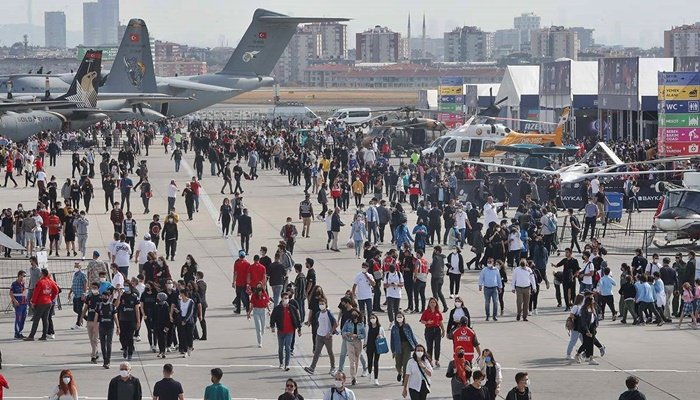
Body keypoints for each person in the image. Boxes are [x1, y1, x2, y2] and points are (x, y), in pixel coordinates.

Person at [303, 297, 337, 375]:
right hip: (319, 335)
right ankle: (312, 368)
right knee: (317, 352)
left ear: (326, 304)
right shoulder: (318, 314)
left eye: (322, 304)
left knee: (330, 352)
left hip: (327, 336)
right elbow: (318, 323)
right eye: (320, 304)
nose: (321, 305)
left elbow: (335, 324)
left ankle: (333, 367)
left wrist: (330, 332)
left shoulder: (329, 313)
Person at [270, 292, 302, 371]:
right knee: (281, 348)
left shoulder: (292, 308)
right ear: (281, 299)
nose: (286, 299)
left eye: (287, 298)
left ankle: (287, 364)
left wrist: (299, 329)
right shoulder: (277, 309)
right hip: (281, 331)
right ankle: (281, 362)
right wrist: (272, 326)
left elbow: (297, 318)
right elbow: (273, 318)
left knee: (287, 347)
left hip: (290, 332)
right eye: (284, 298)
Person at [25, 268, 59, 341]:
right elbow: (56, 290)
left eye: (40, 273)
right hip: (48, 302)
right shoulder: (50, 281)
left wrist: (33, 302)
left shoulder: (40, 282)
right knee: (45, 319)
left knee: (36, 320)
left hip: (40, 303)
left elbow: (35, 293)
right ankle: (44, 335)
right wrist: (51, 298)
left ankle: (31, 336)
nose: (39, 274)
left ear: (42, 274)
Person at [391, 311, 418, 383]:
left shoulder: (407, 326)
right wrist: (393, 350)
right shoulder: (394, 328)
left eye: (400, 317)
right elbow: (392, 340)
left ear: (403, 318)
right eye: (398, 317)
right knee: (398, 364)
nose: (399, 318)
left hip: (407, 345)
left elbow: (412, 336)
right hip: (398, 346)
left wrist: (416, 346)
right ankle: (400, 372)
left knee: (406, 362)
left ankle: (404, 379)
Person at [341, 308, 366, 385]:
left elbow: (363, 335)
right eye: (353, 314)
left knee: (357, 360)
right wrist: (347, 334)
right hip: (350, 341)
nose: (354, 316)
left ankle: (355, 375)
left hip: (358, 342)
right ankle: (353, 377)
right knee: (352, 361)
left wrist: (357, 336)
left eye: (355, 314)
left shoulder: (361, 324)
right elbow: (343, 331)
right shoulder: (348, 322)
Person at [420, 297, 445, 368]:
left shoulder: (438, 312)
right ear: (429, 303)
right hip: (429, 330)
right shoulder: (426, 311)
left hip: (437, 330)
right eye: (431, 302)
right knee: (429, 346)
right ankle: (430, 360)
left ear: (436, 303)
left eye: (434, 302)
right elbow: (422, 320)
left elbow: (440, 321)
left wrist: (443, 330)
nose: (432, 304)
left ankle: (437, 360)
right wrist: (427, 322)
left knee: (437, 345)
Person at [69, 263, 88, 330]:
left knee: (79, 309)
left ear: (80, 267)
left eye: (77, 266)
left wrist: (84, 293)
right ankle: (88, 319)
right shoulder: (75, 275)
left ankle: (78, 324)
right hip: (75, 294)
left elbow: (85, 284)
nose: (75, 268)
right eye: (75, 266)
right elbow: (73, 284)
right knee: (75, 309)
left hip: (80, 295)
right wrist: (70, 292)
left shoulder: (82, 274)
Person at [10, 270, 28, 339]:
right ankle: (16, 333)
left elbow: (24, 293)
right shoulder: (14, 284)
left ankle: (20, 332)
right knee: (18, 319)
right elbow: (11, 293)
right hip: (18, 304)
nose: (23, 277)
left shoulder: (23, 283)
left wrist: (27, 301)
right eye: (22, 276)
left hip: (24, 303)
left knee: (23, 318)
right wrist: (14, 301)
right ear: (19, 276)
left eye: (24, 276)